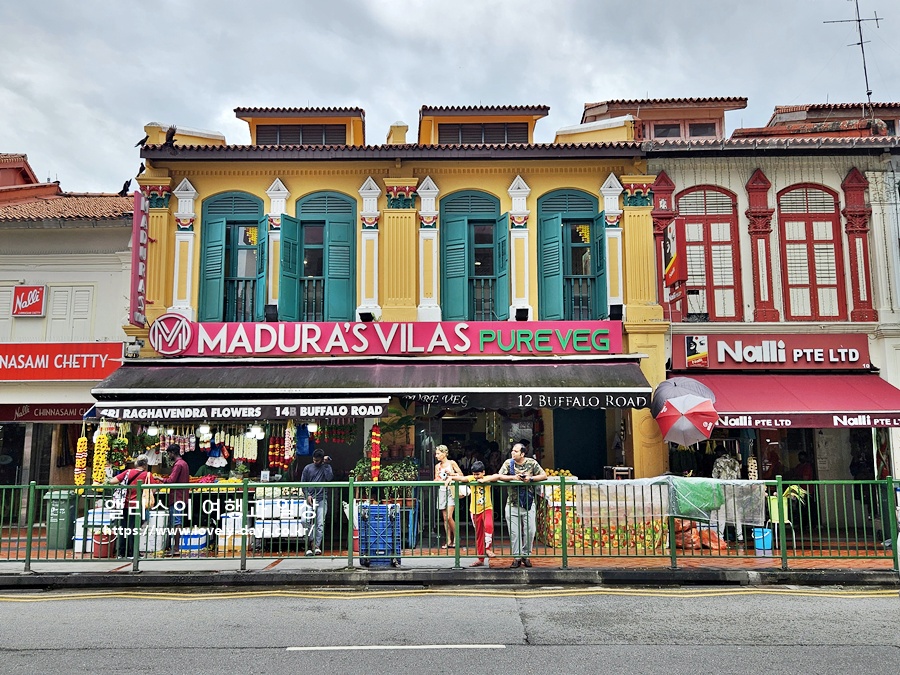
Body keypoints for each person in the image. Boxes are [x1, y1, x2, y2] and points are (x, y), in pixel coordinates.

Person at [492, 442, 547, 568]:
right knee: (514, 533)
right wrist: (513, 478)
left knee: (530, 531)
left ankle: (526, 555)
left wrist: (530, 479)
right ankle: (516, 557)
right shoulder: (508, 463)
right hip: (512, 503)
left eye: (516, 451)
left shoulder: (532, 463)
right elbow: (499, 476)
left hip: (528, 503)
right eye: (512, 450)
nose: (512, 452)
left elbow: (544, 475)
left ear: (522, 454)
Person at [446, 460, 495, 567]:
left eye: (478, 474)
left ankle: (488, 548)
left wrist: (485, 479)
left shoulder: (487, 479)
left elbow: (497, 476)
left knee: (489, 526)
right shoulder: (471, 478)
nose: (476, 477)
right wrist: (451, 478)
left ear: (483, 472)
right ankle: (480, 558)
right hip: (474, 510)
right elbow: (462, 478)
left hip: (487, 508)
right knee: (479, 535)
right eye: (474, 474)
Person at [107, 454, 151, 558]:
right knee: (133, 529)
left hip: (123, 504)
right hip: (137, 506)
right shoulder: (147, 475)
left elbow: (112, 481)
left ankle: (121, 552)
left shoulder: (128, 472)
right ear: (145, 465)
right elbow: (153, 489)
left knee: (123, 528)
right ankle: (133, 553)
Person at [300, 449, 333, 556]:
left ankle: (316, 546)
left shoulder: (326, 467)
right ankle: (311, 542)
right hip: (309, 499)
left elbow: (329, 478)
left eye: (317, 460)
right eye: (314, 460)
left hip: (322, 498)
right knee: (305, 520)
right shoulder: (307, 468)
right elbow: (302, 484)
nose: (315, 462)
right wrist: (307, 495)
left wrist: (327, 464)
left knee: (320, 524)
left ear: (322, 460)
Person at [163, 444, 190, 557]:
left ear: (173, 453)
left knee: (176, 522)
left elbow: (171, 480)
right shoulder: (184, 463)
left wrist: (161, 479)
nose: (168, 456)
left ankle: (176, 548)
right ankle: (174, 547)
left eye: (169, 453)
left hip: (176, 497)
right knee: (176, 522)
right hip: (182, 496)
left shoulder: (178, 464)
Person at [434, 444, 463, 549]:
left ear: (444, 453)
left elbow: (461, 475)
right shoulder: (437, 466)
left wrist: (451, 474)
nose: (436, 455)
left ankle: (456, 537)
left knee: (449, 516)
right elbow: (436, 479)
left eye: (438, 453)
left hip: (451, 490)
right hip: (442, 490)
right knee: (445, 518)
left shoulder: (452, 463)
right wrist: (439, 477)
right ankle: (448, 540)